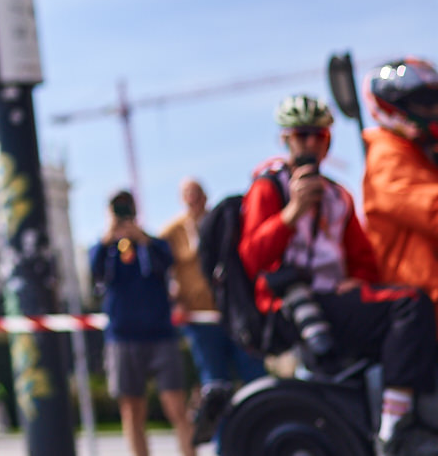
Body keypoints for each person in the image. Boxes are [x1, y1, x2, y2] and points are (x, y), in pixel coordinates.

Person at [240, 93, 438, 453]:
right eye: (303, 135)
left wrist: (358, 280)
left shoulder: (338, 195)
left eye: (320, 135)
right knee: (410, 304)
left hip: (337, 296)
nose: (312, 143)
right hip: (291, 303)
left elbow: (361, 256)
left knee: (410, 313)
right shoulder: (269, 187)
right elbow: (252, 256)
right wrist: (293, 212)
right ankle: (394, 425)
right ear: (286, 139)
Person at [90, 190, 192, 456]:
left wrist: (142, 239)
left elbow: (167, 262)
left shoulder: (154, 244)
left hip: (160, 334)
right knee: (132, 409)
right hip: (122, 337)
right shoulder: (104, 249)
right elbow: (94, 271)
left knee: (176, 406)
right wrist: (108, 236)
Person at [160, 178, 264, 386]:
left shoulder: (222, 221)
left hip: (233, 310)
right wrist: (175, 301)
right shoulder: (173, 231)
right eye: (188, 193)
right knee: (214, 378)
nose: (193, 198)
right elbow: (161, 267)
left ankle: (267, 416)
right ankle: (222, 419)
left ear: (205, 196)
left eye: (196, 192)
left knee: (253, 371)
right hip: (199, 316)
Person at [365, 59, 438, 300]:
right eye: (425, 103)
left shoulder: (421, 154)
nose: (434, 110)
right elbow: (431, 209)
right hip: (422, 299)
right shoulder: (387, 156)